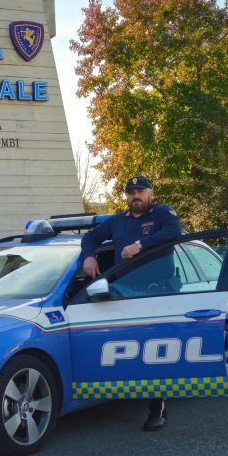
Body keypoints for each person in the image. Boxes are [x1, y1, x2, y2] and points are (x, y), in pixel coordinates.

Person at [81, 175, 182, 432]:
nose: (135, 196)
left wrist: (139, 245)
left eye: (140, 191)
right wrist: (90, 256)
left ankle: (157, 409)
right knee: (126, 348)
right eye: (131, 192)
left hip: (157, 294)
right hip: (125, 292)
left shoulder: (162, 214)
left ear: (151, 193)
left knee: (156, 352)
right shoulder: (116, 221)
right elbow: (89, 238)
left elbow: (174, 232)